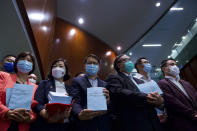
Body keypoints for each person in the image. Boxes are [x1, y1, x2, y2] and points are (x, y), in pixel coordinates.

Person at [105, 54, 163, 131]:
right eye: (125, 60)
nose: (129, 62)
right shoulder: (114, 77)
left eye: (129, 59)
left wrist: (159, 102)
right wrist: (145, 96)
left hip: (152, 119)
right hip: (134, 122)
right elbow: (119, 92)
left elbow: (151, 96)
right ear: (118, 65)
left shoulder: (138, 80)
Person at [71, 54, 111, 131]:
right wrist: (79, 113)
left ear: (99, 67)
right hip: (85, 122)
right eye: (89, 63)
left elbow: (109, 105)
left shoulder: (105, 84)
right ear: (84, 65)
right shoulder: (77, 81)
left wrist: (108, 101)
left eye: (95, 63)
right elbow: (75, 100)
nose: (92, 65)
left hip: (102, 123)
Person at [30, 58, 72, 131]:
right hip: (44, 124)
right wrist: (46, 115)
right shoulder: (44, 84)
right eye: (54, 66)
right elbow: (37, 103)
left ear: (66, 71)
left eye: (60, 66)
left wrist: (67, 114)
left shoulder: (70, 89)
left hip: (63, 126)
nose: (57, 68)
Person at [0, 51, 38, 131]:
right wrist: (7, 112)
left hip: (22, 126)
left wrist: (30, 118)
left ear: (32, 66)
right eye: (22, 59)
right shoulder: (4, 76)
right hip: (3, 123)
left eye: (29, 60)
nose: (25, 62)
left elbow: (34, 109)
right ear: (16, 63)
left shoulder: (35, 87)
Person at [158, 58, 197, 131]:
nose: (175, 66)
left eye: (176, 64)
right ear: (164, 69)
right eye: (172, 64)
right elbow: (173, 102)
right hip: (183, 121)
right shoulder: (162, 83)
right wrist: (192, 114)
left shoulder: (185, 83)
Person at [134, 57, 167, 129]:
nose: (148, 64)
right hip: (148, 118)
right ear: (138, 66)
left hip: (162, 116)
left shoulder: (153, 81)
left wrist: (163, 110)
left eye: (149, 62)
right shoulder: (134, 81)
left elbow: (161, 97)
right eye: (145, 62)